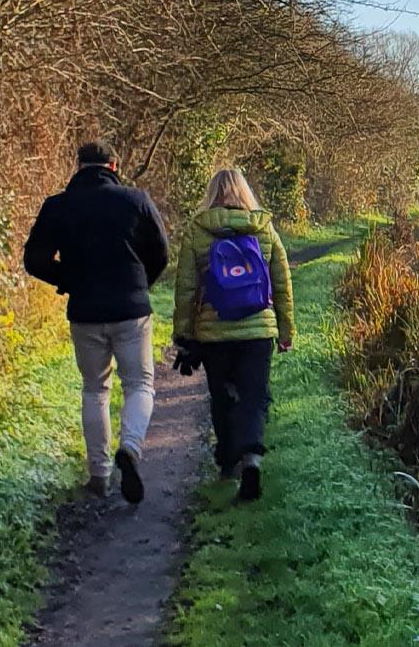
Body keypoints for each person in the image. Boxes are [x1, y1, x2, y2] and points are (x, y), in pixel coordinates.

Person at [23, 141, 171, 503]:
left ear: (78, 167)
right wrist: (140, 284)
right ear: (114, 166)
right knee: (139, 383)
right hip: (130, 310)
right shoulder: (135, 200)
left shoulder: (58, 206)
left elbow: (34, 259)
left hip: (86, 311)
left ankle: (99, 475)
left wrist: (67, 279)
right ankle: (131, 448)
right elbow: (162, 252)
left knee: (95, 389)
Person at [172, 169, 293, 502]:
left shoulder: (198, 229)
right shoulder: (262, 226)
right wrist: (285, 330)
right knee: (254, 395)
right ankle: (252, 458)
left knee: (223, 396)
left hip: (215, 332)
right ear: (245, 192)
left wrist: (183, 333)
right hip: (257, 330)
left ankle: (227, 465)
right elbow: (281, 282)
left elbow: (186, 288)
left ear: (211, 194)